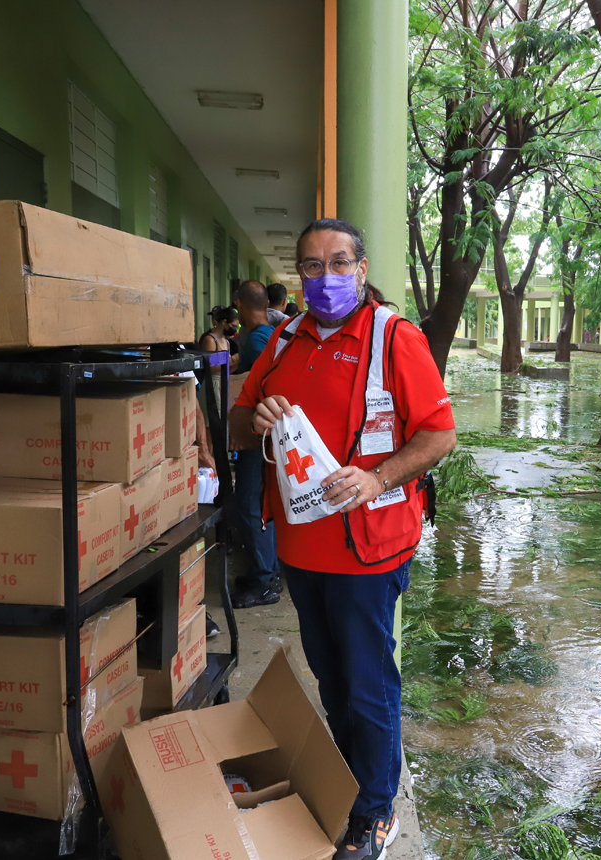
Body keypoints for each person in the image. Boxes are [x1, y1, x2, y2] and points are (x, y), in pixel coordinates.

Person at [230, 218, 456, 860]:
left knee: (367, 682)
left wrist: (377, 476)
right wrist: (260, 418)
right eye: (310, 266)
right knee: (330, 677)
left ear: (360, 269)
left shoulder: (394, 338)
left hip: (369, 549)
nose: (324, 277)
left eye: (337, 264)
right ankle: (353, 783)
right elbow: (240, 426)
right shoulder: (281, 343)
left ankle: (376, 809)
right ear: (296, 276)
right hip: (302, 549)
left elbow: (440, 435)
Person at [227, 281, 281, 608]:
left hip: (259, 436)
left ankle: (264, 579)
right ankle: (263, 572)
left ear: (238, 304)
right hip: (256, 434)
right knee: (247, 502)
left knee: (250, 503)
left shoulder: (260, 338)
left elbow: (271, 385)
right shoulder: (264, 335)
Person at [198, 306, 240, 373]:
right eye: (233, 326)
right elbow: (210, 367)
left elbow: (226, 370)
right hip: (212, 382)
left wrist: (239, 361)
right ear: (224, 322)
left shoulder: (226, 341)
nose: (234, 329)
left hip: (224, 381)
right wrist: (233, 359)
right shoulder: (211, 340)